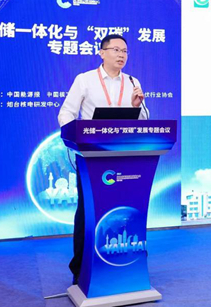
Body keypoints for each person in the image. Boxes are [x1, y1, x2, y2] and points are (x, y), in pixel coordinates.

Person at [58, 34, 148, 285]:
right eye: (116, 49)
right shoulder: (85, 80)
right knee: (88, 211)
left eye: (125, 51)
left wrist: (136, 106)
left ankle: (124, 264)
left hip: (124, 157)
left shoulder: (132, 82)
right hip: (91, 157)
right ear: (102, 52)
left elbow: (142, 122)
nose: (121, 55)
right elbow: (66, 113)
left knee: (124, 210)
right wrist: (74, 136)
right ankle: (81, 268)